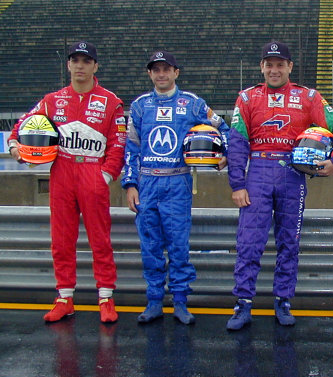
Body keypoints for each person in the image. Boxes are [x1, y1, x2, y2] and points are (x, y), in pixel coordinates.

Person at [226, 40, 333, 330]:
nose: (274, 69)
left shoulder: (307, 97)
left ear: (289, 67)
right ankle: (243, 303)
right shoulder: (246, 98)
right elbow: (236, 143)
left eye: (280, 64)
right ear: (262, 67)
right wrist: (237, 184)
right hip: (256, 172)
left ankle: (283, 301)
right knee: (249, 243)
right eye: (269, 64)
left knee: (289, 243)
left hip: (292, 174)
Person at [8, 41, 126, 323]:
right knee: (61, 240)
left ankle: (106, 298)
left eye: (86, 61)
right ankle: (64, 298)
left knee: (100, 239)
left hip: (92, 173)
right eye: (75, 60)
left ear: (95, 66)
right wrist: (16, 147)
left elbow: (118, 144)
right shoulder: (52, 99)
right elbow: (22, 125)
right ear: (69, 65)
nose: (80, 66)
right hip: (61, 173)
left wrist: (105, 175)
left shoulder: (111, 101)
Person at [122, 51, 229, 325]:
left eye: (166, 69)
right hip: (146, 183)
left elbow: (224, 128)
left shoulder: (192, 103)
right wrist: (130, 184)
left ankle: (180, 301)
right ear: (149, 73)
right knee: (151, 247)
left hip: (177, 182)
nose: (161, 74)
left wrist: (224, 154)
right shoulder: (138, 106)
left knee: (179, 246)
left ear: (176, 72)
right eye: (156, 69)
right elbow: (130, 149)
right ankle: (154, 301)